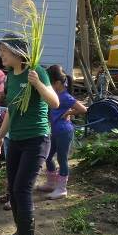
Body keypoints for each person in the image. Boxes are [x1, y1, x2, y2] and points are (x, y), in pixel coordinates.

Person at [0, 33, 59, 235]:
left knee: (22, 189)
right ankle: (20, 231)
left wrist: (38, 83)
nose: (1, 55)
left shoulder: (36, 71)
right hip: (16, 139)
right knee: (13, 189)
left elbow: (54, 102)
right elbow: (11, 109)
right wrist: (0, 136)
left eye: (4, 51)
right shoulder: (11, 75)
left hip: (37, 139)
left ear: (18, 53)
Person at [38, 65, 87, 200]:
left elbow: (83, 109)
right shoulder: (55, 95)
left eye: (49, 83)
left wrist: (69, 112)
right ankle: (51, 183)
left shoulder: (65, 97)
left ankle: (61, 188)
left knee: (62, 159)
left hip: (64, 131)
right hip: (54, 131)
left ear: (58, 83)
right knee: (48, 157)